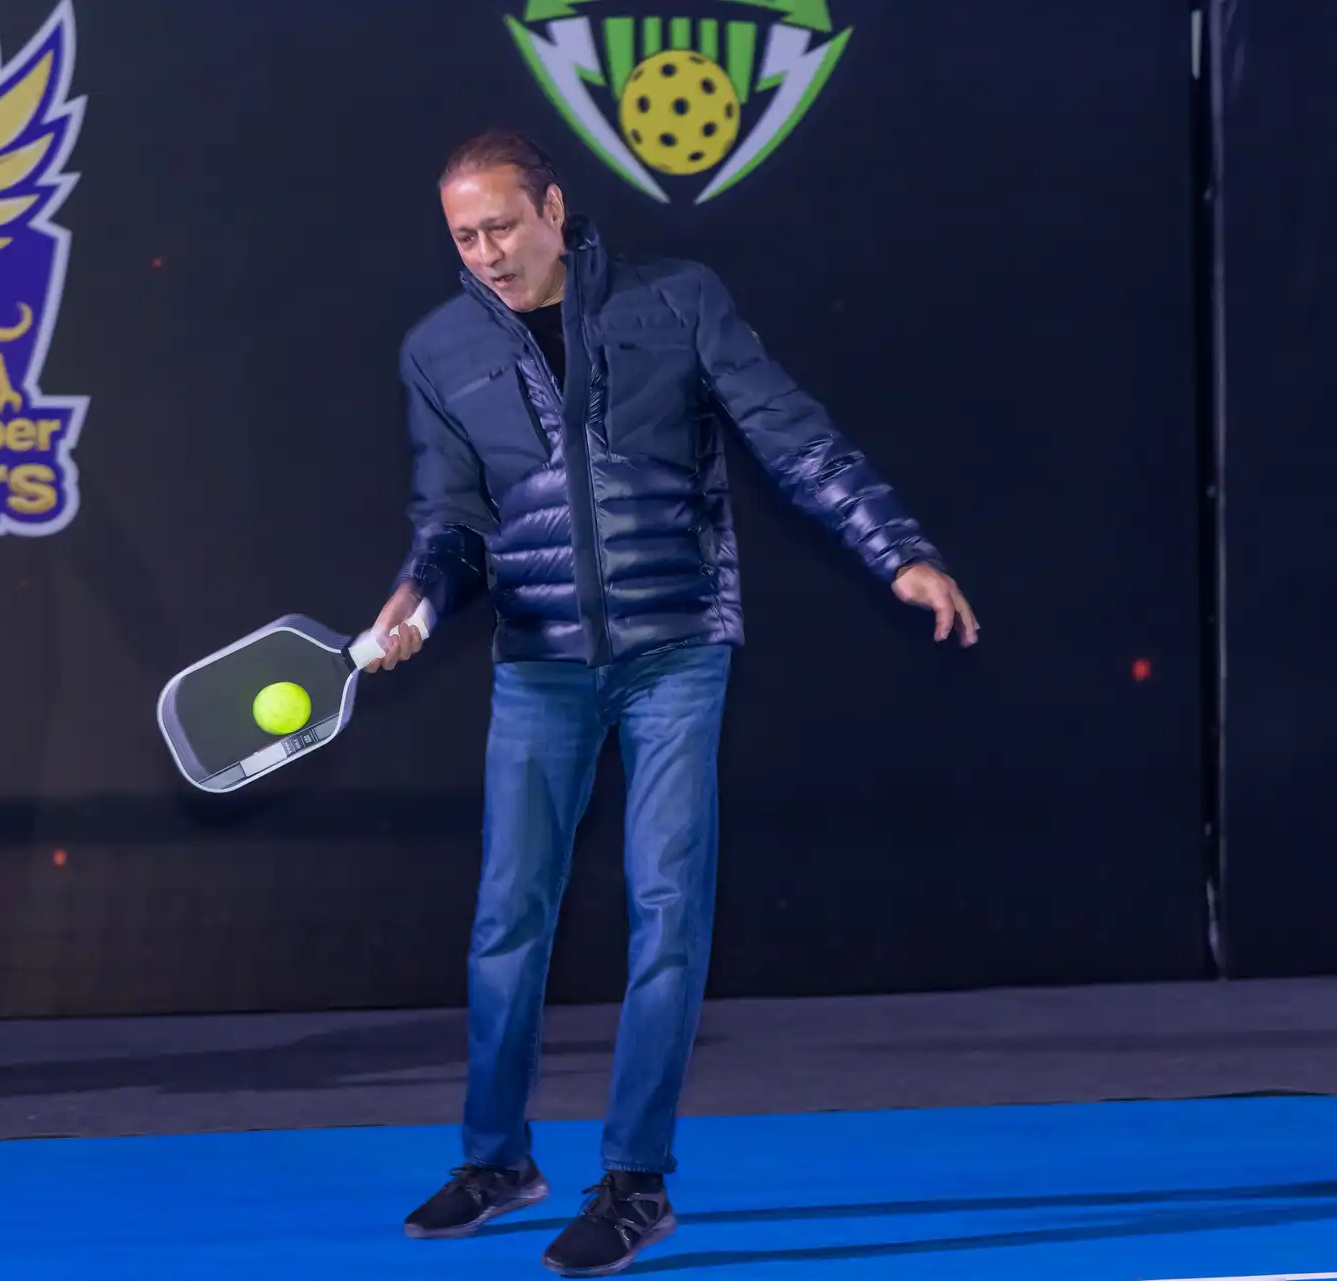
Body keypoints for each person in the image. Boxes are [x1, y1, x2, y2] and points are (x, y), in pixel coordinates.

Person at [376, 128, 977, 1277]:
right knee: (507, 919)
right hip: (539, 662)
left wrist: (896, 549)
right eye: (464, 237)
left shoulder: (676, 300)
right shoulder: (438, 351)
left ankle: (636, 1181)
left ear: (553, 209)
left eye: (502, 226)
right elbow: (451, 524)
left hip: (678, 650)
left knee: (667, 911)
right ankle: (496, 1161)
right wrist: (419, 604)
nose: (486, 253)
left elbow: (795, 438)